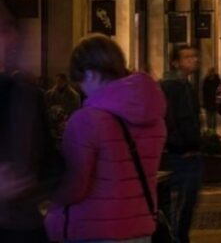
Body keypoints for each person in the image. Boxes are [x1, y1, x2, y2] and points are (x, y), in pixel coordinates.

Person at [45, 34, 167, 243]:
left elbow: (75, 188)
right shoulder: (154, 118)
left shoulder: (86, 119)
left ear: (90, 73)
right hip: (139, 229)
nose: (81, 89)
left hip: (91, 229)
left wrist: (47, 192)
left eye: (80, 80)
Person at [0, 7, 61, 243]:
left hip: (23, 228)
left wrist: (33, 183)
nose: (11, 38)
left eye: (10, 29)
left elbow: (49, 163)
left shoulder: (26, 95)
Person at [159, 44, 203, 243]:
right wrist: (180, 145)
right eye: (187, 57)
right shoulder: (170, 86)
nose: (193, 60)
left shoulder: (186, 85)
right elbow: (169, 119)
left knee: (187, 204)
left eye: (194, 56)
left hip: (189, 152)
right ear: (175, 62)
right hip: (179, 155)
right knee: (181, 204)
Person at [44, 73, 81, 140]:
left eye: (61, 81)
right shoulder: (49, 94)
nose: (59, 83)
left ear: (65, 82)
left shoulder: (74, 95)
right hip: (53, 124)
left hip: (67, 123)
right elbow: (46, 108)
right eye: (57, 81)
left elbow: (76, 110)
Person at [201, 67, 221, 134]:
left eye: (213, 71)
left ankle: (213, 131)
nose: (212, 73)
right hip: (208, 101)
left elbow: (219, 89)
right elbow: (203, 92)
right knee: (209, 118)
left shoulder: (217, 79)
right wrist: (203, 102)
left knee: (214, 118)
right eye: (211, 71)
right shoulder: (206, 80)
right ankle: (209, 131)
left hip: (214, 101)